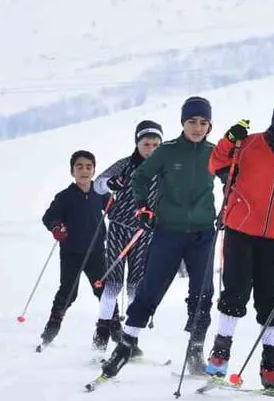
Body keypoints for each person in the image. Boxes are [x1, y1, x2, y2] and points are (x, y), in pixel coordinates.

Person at [100, 96, 218, 379]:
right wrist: (143, 207)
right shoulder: (166, 152)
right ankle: (124, 347)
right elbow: (139, 178)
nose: (197, 127)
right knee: (150, 289)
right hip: (169, 231)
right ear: (182, 123)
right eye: (192, 122)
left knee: (203, 294)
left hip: (203, 232)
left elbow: (234, 176)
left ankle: (195, 352)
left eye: (203, 123)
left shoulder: (215, 153)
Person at [203, 88, 274, 390]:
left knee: (270, 299)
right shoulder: (249, 145)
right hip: (240, 228)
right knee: (235, 291)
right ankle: (221, 352)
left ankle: (270, 365)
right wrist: (228, 138)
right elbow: (216, 163)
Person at [91, 120, 164, 350]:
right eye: (146, 144)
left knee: (136, 285)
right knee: (113, 283)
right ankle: (102, 332)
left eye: (155, 144)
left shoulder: (165, 168)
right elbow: (98, 185)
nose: (150, 149)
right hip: (119, 227)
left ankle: (130, 339)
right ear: (137, 143)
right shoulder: (125, 164)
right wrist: (112, 183)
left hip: (146, 231)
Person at [37, 150, 112, 347]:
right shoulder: (64, 197)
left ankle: (115, 331)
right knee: (69, 292)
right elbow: (49, 217)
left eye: (89, 167)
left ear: (94, 170)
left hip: (96, 253)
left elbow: (115, 209)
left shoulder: (100, 193)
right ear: (72, 171)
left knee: (104, 292)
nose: (84, 171)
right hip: (71, 253)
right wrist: (56, 227)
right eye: (79, 167)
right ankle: (51, 330)